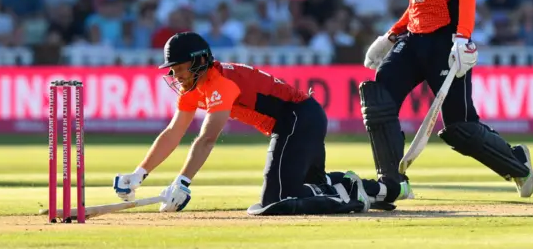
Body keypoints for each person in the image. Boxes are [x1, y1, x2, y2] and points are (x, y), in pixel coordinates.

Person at [360, 0, 533, 201]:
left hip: (445, 41)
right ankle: (393, 181)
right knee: (379, 94)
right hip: (415, 40)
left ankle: (517, 163)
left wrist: (462, 37)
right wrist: (389, 36)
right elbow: (418, 4)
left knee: (460, 128)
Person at [113, 32, 412, 215]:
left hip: (298, 119)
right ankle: (377, 189)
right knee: (308, 187)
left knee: (277, 200)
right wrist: (139, 174)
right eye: (173, 70)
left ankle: (348, 196)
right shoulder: (196, 87)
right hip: (298, 121)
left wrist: (183, 182)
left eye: (179, 69)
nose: (175, 76)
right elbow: (173, 132)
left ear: (199, 61)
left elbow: (206, 139)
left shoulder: (219, 83)